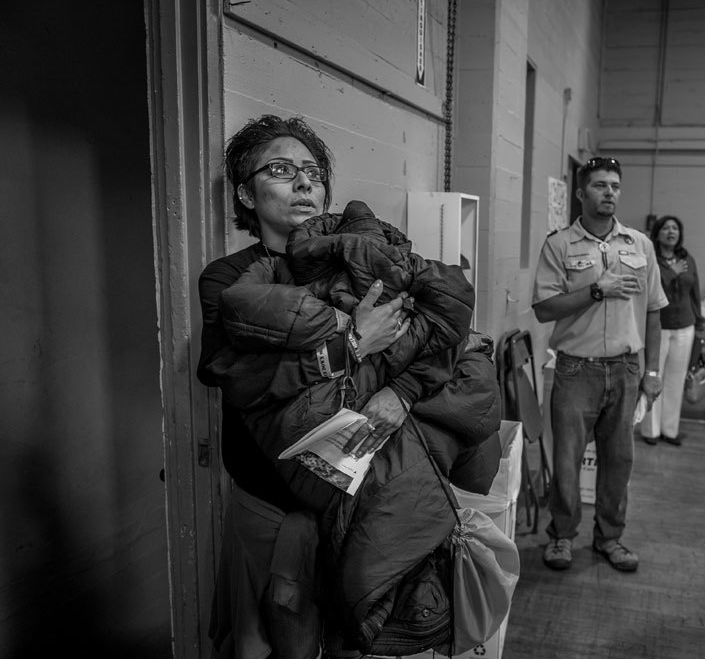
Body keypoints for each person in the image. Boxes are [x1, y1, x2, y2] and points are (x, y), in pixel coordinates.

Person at [199, 115, 501, 658]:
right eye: (280, 170)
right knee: (271, 640)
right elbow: (243, 379)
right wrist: (354, 343)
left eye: (312, 172)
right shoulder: (228, 280)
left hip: (364, 499)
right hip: (270, 501)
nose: (303, 182)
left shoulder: (357, 253)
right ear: (246, 193)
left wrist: (401, 393)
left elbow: (442, 337)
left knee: (354, 634)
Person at [532, 156, 667, 573]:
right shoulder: (559, 245)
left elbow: (654, 311)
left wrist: (653, 372)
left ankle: (610, 537)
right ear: (580, 193)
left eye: (615, 186)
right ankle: (562, 536)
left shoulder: (640, 245)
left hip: (626, 369)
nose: (609, 193)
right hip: (577, 370)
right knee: (567, 460)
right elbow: (544, 309)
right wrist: (596, 289)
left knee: (619, 461)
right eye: (599, 185)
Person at [639, 215, 703, 446]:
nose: (671, 231)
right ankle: (650, 431)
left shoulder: (688, 259)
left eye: (675, 228)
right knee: (654, 378)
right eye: (665, 228)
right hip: (658, 328)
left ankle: (670, 429)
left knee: (676, 381)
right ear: (657, 234)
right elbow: (648, 291)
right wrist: (671, 272)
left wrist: (700, 324)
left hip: (685, 326)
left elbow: (695, 293)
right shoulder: (650, 259)